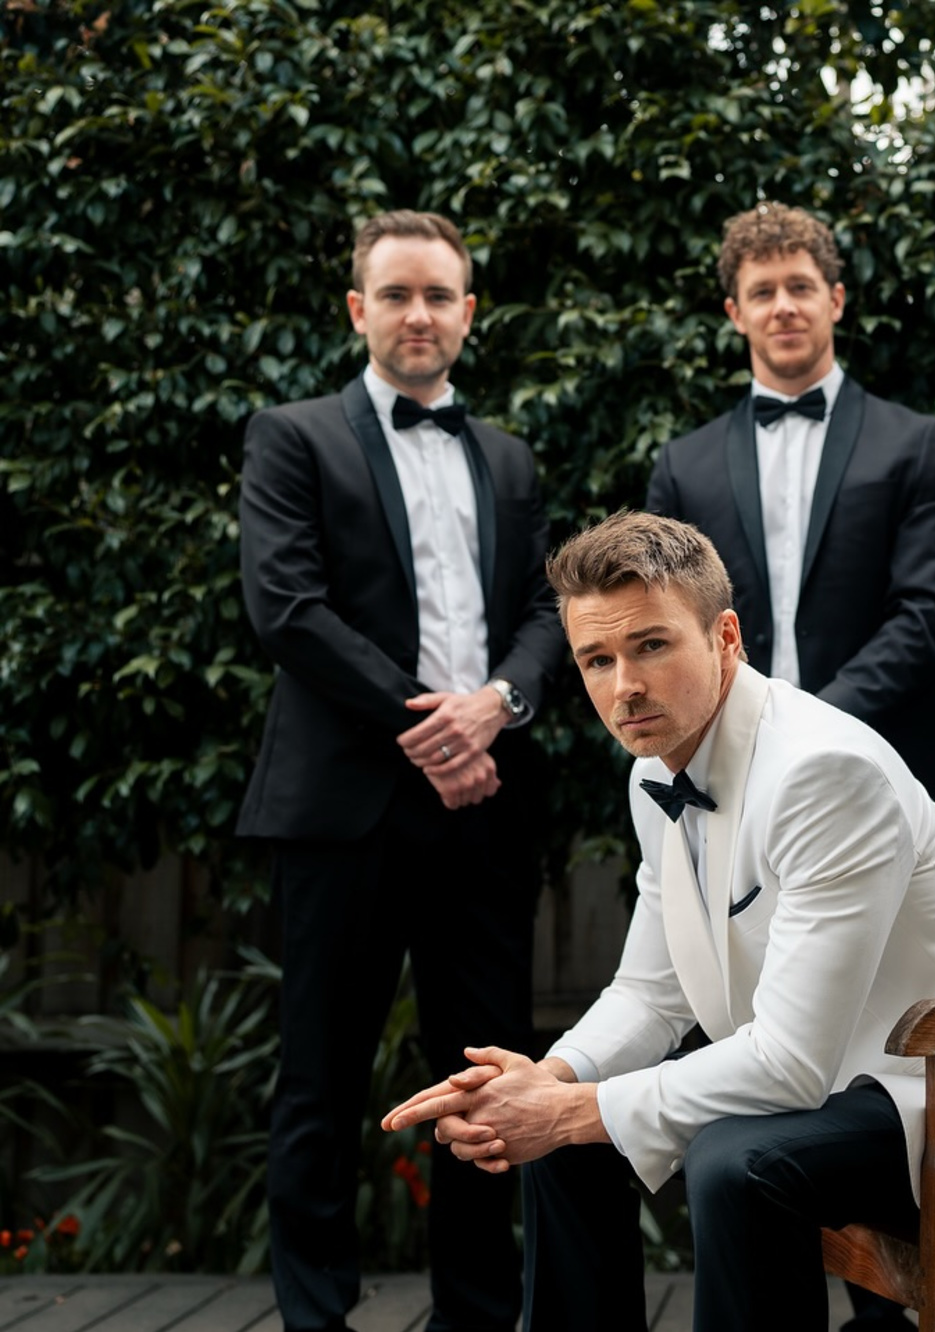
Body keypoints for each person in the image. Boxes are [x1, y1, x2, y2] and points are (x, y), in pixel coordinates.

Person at [381, 511, 935, 1332]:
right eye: (597, 660)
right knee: (569, 1138)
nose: (624, 686)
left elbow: (788, 1063)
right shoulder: (654, 772)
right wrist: (552, 1080)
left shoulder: (825, 771)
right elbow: (650, 994)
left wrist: (571, 1109)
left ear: (725, 637)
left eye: (651, 645)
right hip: (834, 1093)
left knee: (733, 1161)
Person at [237, 209, 566, 1332]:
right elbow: (287, 608)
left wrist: (498, 705)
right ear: (357, 310)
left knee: (484, 1082)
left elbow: (547, 611)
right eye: (395, 295)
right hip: (344, 814)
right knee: (320, 1081)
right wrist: (436, 731)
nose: (417, 314)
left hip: (485, 814)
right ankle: (314, 1319)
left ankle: (475, 1316)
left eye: (437, 296)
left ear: (468, 313)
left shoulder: (508, 457)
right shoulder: (292, 437)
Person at [645, 202, 935, 816]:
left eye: (800, 287)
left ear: (835, 300)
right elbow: (666, 622)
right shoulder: (684, 465)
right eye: (762, 292)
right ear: (736, 313)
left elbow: (930, 614)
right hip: (726, 777)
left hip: (886, 766)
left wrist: (808, 721)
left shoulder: (916, 443)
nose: (784, 307)